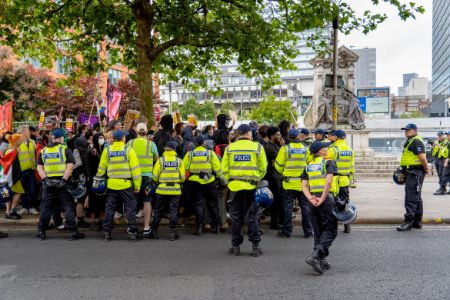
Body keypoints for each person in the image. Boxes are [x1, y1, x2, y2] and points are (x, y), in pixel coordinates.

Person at [222, 124, 267, 256]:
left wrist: (231, 182)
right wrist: (255, 178)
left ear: (238, 134)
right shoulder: (258, 147)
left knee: (236, 218)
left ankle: (236, 247)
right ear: (248, 133)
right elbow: (263, 168)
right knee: (252, 216)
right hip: (252, 187)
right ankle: (255, 247)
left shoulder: (230, 148)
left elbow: (224, 170)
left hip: (235, 188)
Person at [36, 128, 85, 241]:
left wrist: (45, 179)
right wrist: (64, 179)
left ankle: (41, 231)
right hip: (62, 183)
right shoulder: (65, 150)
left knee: (46, 207)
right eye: (63, 137)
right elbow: (70, 166)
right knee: (68, 206)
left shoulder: (44, 151)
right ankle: (73, 232)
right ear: (60, 138)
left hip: (48, 183)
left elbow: (39, 167)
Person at [96, 129, 142, 241]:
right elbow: (135, 170)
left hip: (112, 184)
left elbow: (101, 169)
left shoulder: (107, 150)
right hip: (125, 184)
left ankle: (107, 233)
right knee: (130, 209)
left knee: (110, 208)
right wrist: (137, 186)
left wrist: (98, 179)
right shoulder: (128, 150)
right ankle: (133, 233)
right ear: (123, 138)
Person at [302, 141, 339, 274]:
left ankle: (320, 260)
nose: (327, 148)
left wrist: (310, 198)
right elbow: (328, 182)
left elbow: (304, 186)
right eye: (325, 147)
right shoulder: (328, 162)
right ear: (321, 151)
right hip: (326, 200)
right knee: (331, 230)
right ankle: (316, 256)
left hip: (312, 201)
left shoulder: (309, 166)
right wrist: (323, 198)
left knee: (318, 231)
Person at [183, 135, 225, 235]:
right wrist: (223, 181)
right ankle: (217, 227)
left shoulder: (190, 154)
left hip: (194, 182)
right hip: (209, 182)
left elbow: (184, 168)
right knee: (213, 204)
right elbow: (218, 169)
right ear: (204, 143)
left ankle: (200, 228)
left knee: (198, 204)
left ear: (195, 144)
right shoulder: (210, 154)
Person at [275, 129, 312, 238]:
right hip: (302, 184)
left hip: (289, 183)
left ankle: (286, 232)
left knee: (287, 208)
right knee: (305, 207)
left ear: (289, 137)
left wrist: (284, 173)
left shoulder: (285, 149)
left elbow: (278, 165)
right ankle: (308, 231)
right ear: (298, 137)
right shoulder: (306, 149)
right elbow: (310, 164)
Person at [149, 141, 185, 241]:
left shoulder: (160, 160)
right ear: (174, 149)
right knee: (173, 211)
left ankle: (154, 231)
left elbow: (155, 177)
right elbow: (182, 178)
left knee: (158, 211)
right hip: (175, 190)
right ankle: (172, 233)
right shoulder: (179, 161)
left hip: (161, 190)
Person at [127, 123, 159, 238]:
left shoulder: (130, 143)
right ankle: (146, 227)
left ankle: (132, 226)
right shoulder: (151, 144)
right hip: (147, 177)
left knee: (132, 201)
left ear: (136, 131)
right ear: (146, 132)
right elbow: (156, 158)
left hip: (133, 176)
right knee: (147, 201)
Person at [397, 124, 430, 231]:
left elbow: (422, 158)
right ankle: (417, 222)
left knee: (411, 197)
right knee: (417, 196)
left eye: (408, 130)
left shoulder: (416, 141)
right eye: (405, 130)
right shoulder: (410, 140)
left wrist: (426, 169)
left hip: (415, 172)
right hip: (411, 172)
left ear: (415, 130)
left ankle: (408, 222)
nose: (406, 132)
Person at [327, 130, 354, 233]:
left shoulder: (333, 149)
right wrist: (349, 178)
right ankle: (347, 226)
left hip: (334, 181)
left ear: (337, 138)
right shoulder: (349, 149)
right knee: (345, 203)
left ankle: (332, 226)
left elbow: (327, 164)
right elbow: (352, 166)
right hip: (345, 180)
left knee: (332, 203)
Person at [263, 126, 284, 230]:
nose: (280, 137)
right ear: (272, 136)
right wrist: (283, 146)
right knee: (275, 201)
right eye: (278, 135)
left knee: (278, 200)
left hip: (277, 176)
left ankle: (280, 220)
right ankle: (274, 223)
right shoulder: (269, 147)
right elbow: (281, 158)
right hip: (272, 177)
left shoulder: (275, 145)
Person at [86, 133, 106, 230]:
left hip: (103, 180)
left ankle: (102, 221)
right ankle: (93, 222)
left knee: (103, 201)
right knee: (93, 201)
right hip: (94, 180)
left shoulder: (104, 150)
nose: (102, 139)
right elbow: (89, 167)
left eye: (103, 137)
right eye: (100, 138)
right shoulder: (92, 151)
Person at [16, 126, 38, 215]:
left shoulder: (32, 142)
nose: (29, 132)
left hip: (32, 170)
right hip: (21, 171)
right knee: (23, 191)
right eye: (28, 131)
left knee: (32, 190)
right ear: (23, 132)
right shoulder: (17, 143)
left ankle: (32, 207)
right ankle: (25, 207)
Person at [3, 134, 25, 220]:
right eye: (19, 141)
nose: (21, 142)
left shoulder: (6, 150)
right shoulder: (13, 151)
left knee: (7, 193)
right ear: (15, 142)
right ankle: (12, 210)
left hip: (5, 177)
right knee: (19, 192)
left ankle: (7, 212)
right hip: (13, 176)